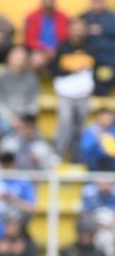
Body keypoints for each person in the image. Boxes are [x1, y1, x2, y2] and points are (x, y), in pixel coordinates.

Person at [52, 18, 95, 162]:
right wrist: (71, 68)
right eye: (75, 28)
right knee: (65, 122)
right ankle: (58, 153)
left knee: (80, 127)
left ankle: (76, 157)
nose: (78, 31)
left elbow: (95, 70)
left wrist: (95, 88)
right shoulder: (62, 47)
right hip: (66, 93)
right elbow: (54, 70)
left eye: (81, 28)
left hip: (84, 94)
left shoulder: (91, 47)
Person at [0, 152, 36, 246]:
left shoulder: (23, 181)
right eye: (4, 166)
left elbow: (31, 208)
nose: (7, 169)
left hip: (16, 231)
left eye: (9, 166)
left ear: (14, 165)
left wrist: (13, 199)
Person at [0, 45, 39, 135]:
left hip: (25, 115)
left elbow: (33, 101)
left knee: (32, 134)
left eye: (22, 59)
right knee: (6, 128)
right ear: (9, 58)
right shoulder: (1, 76)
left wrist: (26, 119)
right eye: (17, 58)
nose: (19, 62)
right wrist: (12, 119)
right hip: (7, 116)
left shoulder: (32, 78)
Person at [82, 0, 115, 95]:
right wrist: (87, 30)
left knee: (105, 76)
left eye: (99, 2)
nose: (97, 5)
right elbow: (76, 29)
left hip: (107, 55)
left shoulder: (111, 17)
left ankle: (102, 96)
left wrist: (102, 28)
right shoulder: (84, 16)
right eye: (94, 2)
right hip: (88, 54)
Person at [25, 0, 69, 71]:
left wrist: (55, 49)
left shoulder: (62, 16)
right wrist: (44, 49)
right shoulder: (33, 16)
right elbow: (29, 39)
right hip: (39, 50)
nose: (49, 2)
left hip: (58, 50)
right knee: (36, 60)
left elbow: (64, 37)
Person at [81, 179, 115, 256]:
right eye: (102, 183)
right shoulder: (91, 196)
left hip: (110, 229)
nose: (104, 185)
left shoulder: (113, 196)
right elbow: (86, 214)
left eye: (107, 183)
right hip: (96, 227)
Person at [80, 107, 115, 171]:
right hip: (95, 163)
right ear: (99, 117)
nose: (108, 119)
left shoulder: (113, 130)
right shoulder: (91, 130)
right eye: (105, 117)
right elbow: (86, 150)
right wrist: (99, 142)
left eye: (109, 117)